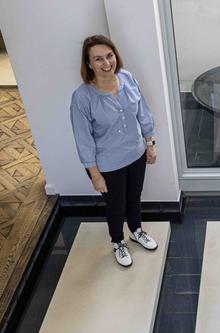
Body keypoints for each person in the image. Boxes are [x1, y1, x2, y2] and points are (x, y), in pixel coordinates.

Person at [70, 34, 158, 267]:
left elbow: (143, 112)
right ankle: (118, 241)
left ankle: (136, 231)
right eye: (98, 59)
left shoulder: (127, 78)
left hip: (136, 154)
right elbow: (83, 140)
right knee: (115, 205)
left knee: (134, 198)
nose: (106, 63)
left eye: (109, 56)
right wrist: (95, 175)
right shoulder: (82, 97)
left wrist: (150, 143)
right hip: (107, 164)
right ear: (89, 64)